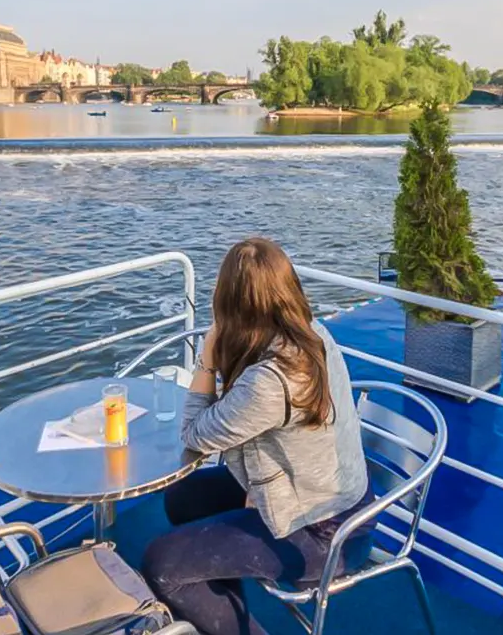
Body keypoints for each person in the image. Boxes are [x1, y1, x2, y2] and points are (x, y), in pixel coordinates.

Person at [141, 238, 372, 635]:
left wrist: (207, 358)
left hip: (322, 535)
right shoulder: (311, 333)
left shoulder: (271, 380)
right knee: (183, 497)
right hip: (337, 501)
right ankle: (223, 599)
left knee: (162, 565)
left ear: (230, 303)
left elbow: (195, 434)